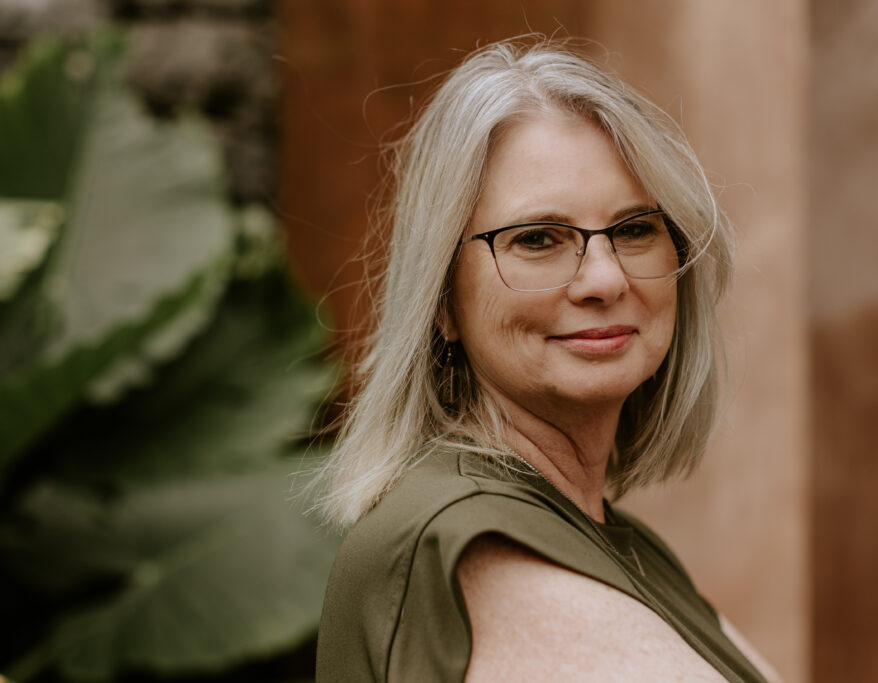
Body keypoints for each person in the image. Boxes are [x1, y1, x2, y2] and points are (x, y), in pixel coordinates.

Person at [312, 37, 779, 682]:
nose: (604, 279)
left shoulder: (623, 545)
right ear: (441, 298)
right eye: (537, 239)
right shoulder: (471, 546)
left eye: (636, 228)